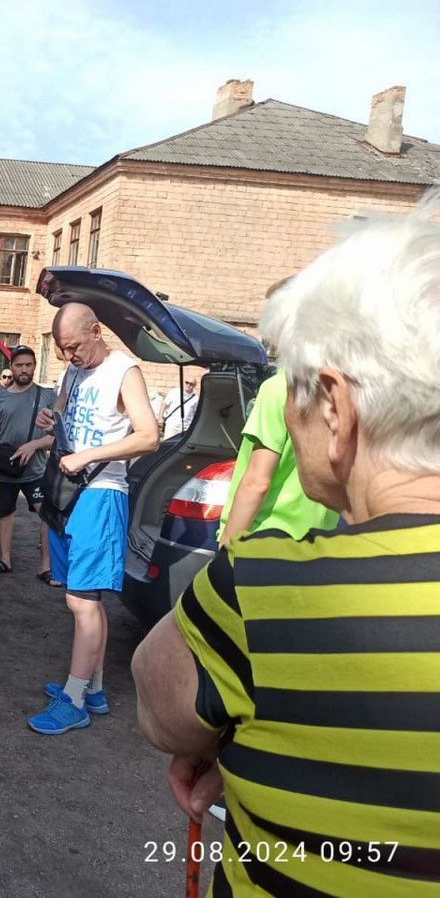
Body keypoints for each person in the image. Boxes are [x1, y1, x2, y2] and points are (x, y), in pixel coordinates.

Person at [132, 201, 440, 896]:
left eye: (294, 388)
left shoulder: (265, 589)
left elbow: (161, 707)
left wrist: (221, 744)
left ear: (335, 406)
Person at [27, 303, 159, 736]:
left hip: (102, 494)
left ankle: (74, 699)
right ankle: (94, 688)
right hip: (71, 492)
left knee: (82, 602)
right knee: (83, 599)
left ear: (96, 331)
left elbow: (148, 435)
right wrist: (51, 425)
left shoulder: (125, 370)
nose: (68, 357)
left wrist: (90, 455)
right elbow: (65, 422)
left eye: (74, 347)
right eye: (63, 350)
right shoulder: (73, 372)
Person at [216, 367, 340, 546]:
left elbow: (257, 483)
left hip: (261, 540)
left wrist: (227, 545)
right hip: (318, 542)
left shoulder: (280, 388)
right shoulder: (345, 393)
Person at [0, 346, 57, 580]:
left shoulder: (47, 396)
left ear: (34, 366)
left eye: (28, 365)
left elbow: (56, 436)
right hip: (5, 467)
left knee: (45, 513)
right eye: (19, 365)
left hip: (36, 468)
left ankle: (45, 566)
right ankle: (5, 559)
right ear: (11, 367)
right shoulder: (1, 397)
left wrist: (33, 446)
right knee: (4, 512)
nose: (24, 369)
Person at [161, 374, 198, 439]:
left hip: (186, 428)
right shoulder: (175, 392)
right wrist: (160, 418)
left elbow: (196, 414)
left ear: (194, 386)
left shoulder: (196, 399)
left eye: (191, 384)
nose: (188, 385)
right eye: (186, 382)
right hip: (171, 426)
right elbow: (165, 404)